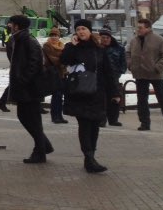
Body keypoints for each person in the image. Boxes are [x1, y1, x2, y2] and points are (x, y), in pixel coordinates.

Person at [61, 19, 120, 172]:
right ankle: (88, 157)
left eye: (84, 29)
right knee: (85, 125)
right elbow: (63, 60)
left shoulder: (99, 49)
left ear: (89, 31)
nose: (81, 31)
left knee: (95, 126)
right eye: (78, 29)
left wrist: (114, 92)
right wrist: (72, 46)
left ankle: (91, 156)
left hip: (97, 93)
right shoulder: (72, 47)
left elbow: (108, 72)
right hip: (80, 93)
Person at [6, 14, 52, 163]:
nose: (9, 26)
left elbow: (35, 64)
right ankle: (43, 146)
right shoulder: (18, 40)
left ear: (17, 26)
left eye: (11, 24)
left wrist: (23, 80)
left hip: (30, 89)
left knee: (31, 119)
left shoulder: (28, 41)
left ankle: (40, 150)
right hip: (25, 89)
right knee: (28, 118)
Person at [126, 17, 163, 131]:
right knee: (142, 100)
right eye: (137, 27)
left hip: (155, 74)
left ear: (148, 28)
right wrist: (130, 64)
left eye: (140, 28)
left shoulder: (159, 40)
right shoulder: (134, 40)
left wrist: (157, 67)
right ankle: (144, 123)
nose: (138, 30)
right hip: (140, 74)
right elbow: (128, 53)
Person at [97, 27, 125, 126]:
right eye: (103, 37)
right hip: (101, 77)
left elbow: (123, 63)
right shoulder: (97, 49)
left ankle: (113, 119)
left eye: (107, 37)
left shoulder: (119, 48)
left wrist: (119, 72)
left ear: (110, 37)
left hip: (114, 77)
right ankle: (102, 120)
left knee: (115, 98)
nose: (105, 39)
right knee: (102, 99)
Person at [42, 27, 68, 124]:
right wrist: (63, 61)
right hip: (52, 73)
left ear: (59, 36)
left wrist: (64, 61)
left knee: (60, 95)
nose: (54, 37)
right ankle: (55, 116)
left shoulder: (62, 46)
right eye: (52, 35)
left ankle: (59, 116)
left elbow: (66, 58)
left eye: (56, 35)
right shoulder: (47, 46)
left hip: (62, 73)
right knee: (56, 95)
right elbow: (54, 59)